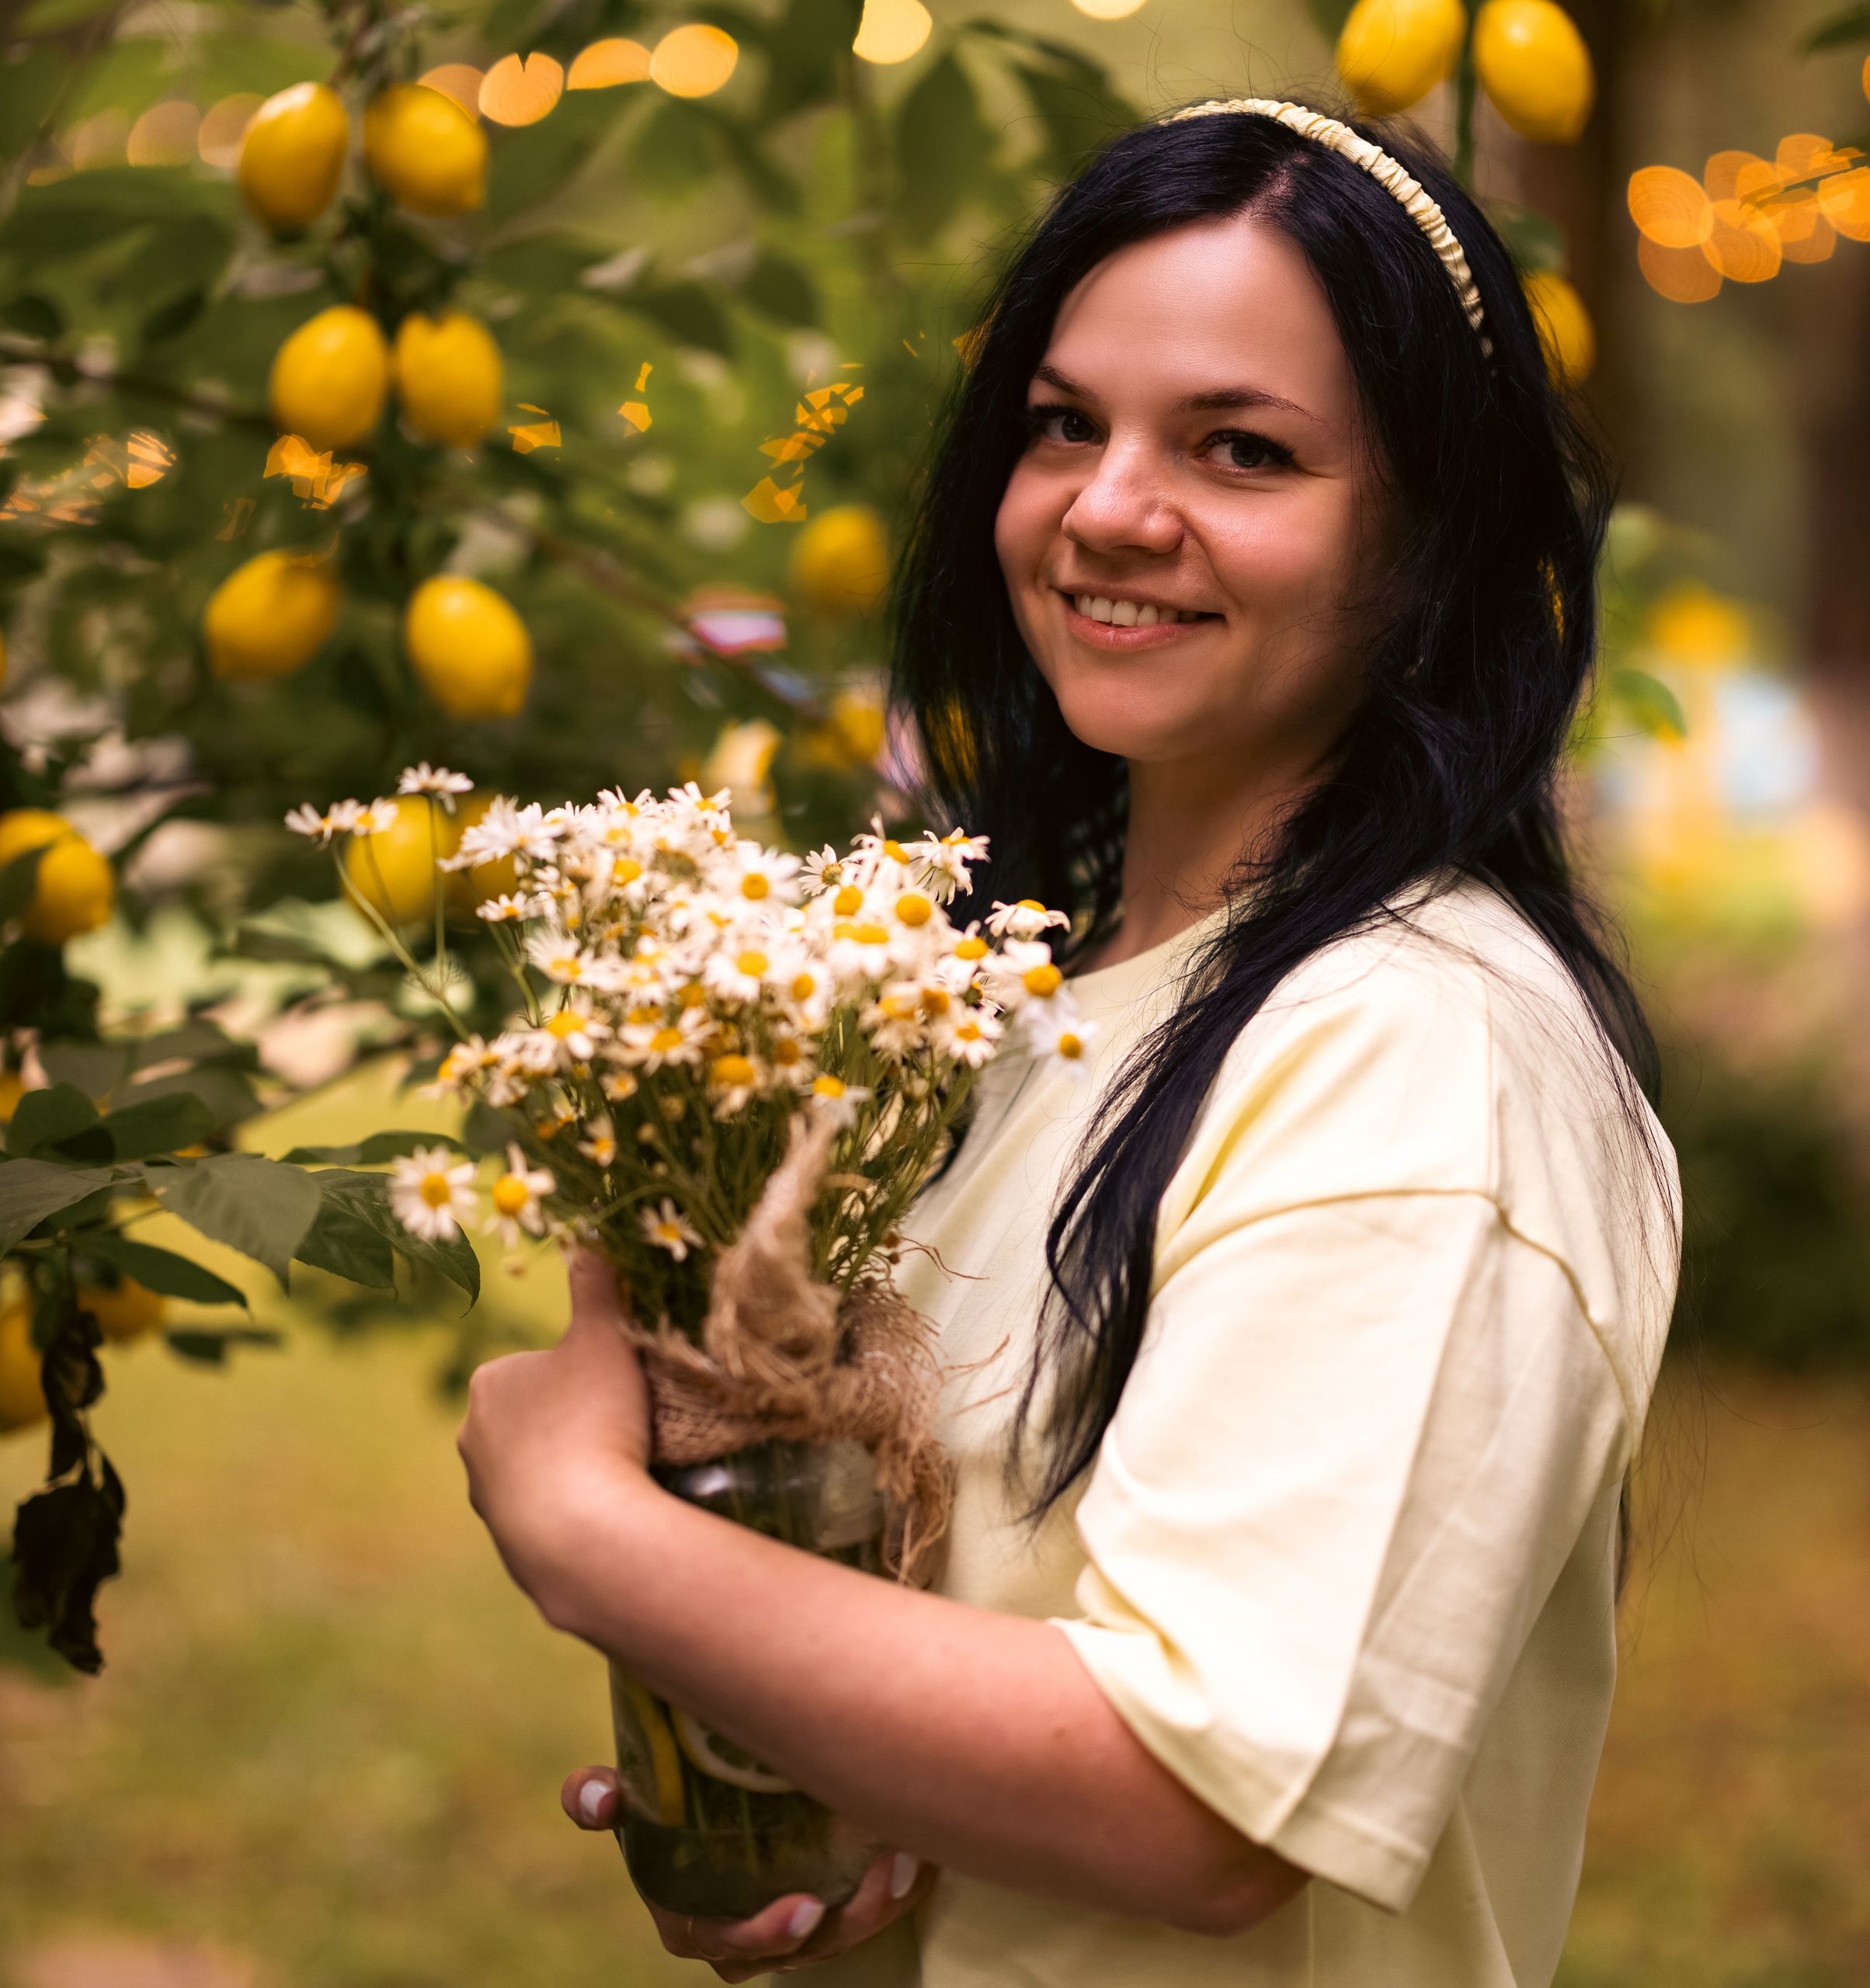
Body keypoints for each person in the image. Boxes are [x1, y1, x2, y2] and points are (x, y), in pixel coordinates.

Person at [456, 98, 1680, 1988]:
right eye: (1061, 423)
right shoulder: (1001, 1009)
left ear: (1430, 538)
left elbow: (1195, 1804)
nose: (1109, 504)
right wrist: (761, 1790)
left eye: (1241, 448)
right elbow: (960, 1642)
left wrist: (590, 1533)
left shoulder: (1410, 1049)